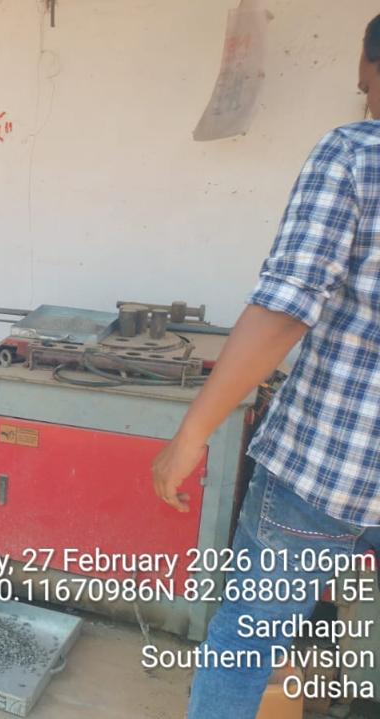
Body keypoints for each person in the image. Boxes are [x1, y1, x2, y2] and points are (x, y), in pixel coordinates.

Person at [152, 15, 380, 718]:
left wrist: (192, 433)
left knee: (245, 644)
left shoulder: (355, 154)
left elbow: (285, 309)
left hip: (323, 471)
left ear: (371, 69)